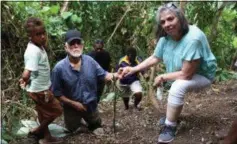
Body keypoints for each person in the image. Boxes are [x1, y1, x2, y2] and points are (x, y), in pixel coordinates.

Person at [118, 3, 217, 143]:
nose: (167, 24)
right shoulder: (166, 37)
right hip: (183, 72)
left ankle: (170, 126)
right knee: (176, 85)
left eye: (171, 19)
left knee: (178, 87)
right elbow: (155, 57)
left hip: (203, 74)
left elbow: (186, 75)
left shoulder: (193, 38)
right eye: (163, 21)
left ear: (180, 19)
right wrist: (133, 69)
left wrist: (162, 76)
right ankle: (172, 116)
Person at [51, 29, 119, 133]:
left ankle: (91, 122)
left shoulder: (90, 61)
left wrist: (118, 74)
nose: (76, 46)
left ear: (82, 45)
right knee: (76, 130)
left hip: (90, 106)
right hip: (71, 109)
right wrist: (74, 104)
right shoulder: (59, 69)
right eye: (72, 43)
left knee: (97, 126)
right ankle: (77, 124)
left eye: (78, 43)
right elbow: (57, 93)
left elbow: (105, 75)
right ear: (66, 47)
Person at [19, 17, 63, 144]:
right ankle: (37, 130)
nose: (43, 36)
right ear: (30, 36)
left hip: (40, 87)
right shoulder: (34, 51)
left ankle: (47, 138)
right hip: (39, 90)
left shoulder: (38, 46)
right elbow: (27, 72)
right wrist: (24, 80)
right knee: (57, 110)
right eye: (38, 34)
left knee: (43, 114)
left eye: (44, 33)